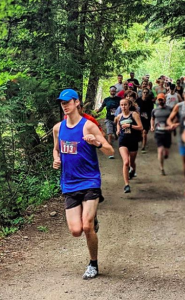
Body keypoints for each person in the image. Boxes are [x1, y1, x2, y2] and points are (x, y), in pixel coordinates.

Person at [53, 89, 114, 279]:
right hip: (69, 184)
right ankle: (91, 220)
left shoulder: (88, 126)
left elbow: (109, 150)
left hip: (89, 181)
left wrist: (96, 142)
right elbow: (56, 150)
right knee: (76, 231)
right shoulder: (58, 128)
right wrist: (56, 159)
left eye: (68, 102)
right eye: (62, 103)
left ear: (77, 103)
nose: (64, 105)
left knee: (87, 227)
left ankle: (93, 264)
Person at [116, 98, 143, 193]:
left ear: (129, 105)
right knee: (126, 162)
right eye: (122, 105)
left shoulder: (134, 114)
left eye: (125, 105)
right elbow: (118, 124)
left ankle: (132, 171)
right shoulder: (119, 116)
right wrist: (118, 130)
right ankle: (126, 185)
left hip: (133, 141)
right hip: (123, 141)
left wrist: (130, 126)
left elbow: (141, 127)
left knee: (132, 163)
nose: (123, 107)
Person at [95, 86, 121, 158]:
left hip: (117, 119)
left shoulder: (119, 99)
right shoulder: (106, 100)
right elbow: (102, 107)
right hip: (109, 118)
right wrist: (97, 111)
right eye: (111, 91)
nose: (112, 92)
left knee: (117, 134)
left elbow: (123, 106)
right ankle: (111, 153)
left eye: (114, 91)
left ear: (115, 91)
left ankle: (121, 148)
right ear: (109, 92)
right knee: (109, 134)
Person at [151, 93, 173, 175]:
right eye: (159, 99)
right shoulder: (154, 110)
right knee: (160, 151)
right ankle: (162, 168)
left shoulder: (169, 109)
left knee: (166, 152)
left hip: (167, 133)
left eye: (161, 99)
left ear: (165, 99)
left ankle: (166, 154)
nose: (160, 101)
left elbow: (173, 118)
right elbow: (152, 118)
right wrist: (152, 126)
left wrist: (172, 126)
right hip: (158, 132)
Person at [136, 88, 154, 153]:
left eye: (146, 92)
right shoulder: (138, 100)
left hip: (146, 119)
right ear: (142, 93)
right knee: (140, 132)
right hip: (138, 119)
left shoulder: (150, 102)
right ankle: (141, 141)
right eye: (144, 92)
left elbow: (152, 112)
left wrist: (151, 122)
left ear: (148, 93)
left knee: (144, 132)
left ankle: (143, 146)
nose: (145, 94)